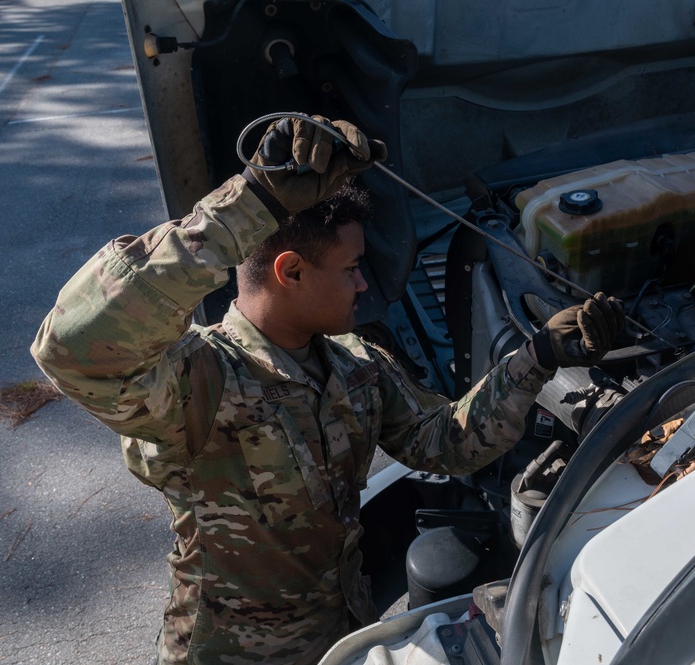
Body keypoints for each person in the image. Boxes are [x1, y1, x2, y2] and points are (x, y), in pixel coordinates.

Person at [31, 116, 624, 665]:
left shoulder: (352, 361)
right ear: (290, 271)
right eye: (350, 268)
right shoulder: (200, 381)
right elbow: (73, 350)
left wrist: (539, 357)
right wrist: (253, 202)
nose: (364, 283)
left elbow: (442, 443)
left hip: (342, 638)